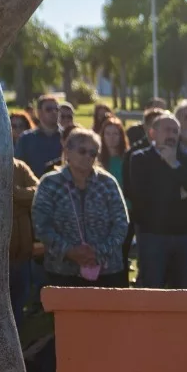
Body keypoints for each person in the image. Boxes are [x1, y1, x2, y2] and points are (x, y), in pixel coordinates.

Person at [32, 128, 131, 288]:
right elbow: (41, 226)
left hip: (106, 270)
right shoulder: (50, 183)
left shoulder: (107, 183)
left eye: (93, 153)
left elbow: (121, 223)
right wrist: (69, 251)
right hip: (63, 270)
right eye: (82, 151)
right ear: (67, 151)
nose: (88, 157)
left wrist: (98, 252)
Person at [127, 115, 187, 288]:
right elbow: (142, 196)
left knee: (182, 289)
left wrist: (174, 165)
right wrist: (179, 191)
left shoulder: (186, 160)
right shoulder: (140, 159)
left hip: (183, 236)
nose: (171, 134)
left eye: (175, 131)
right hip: (152, 235)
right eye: (166, 130)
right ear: (152, 133)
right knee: (152, 289)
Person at [8, 157, 40, 321]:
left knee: (20, 297)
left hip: (22, 247)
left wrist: (15, 193)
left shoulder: (19, 167)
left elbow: (38, 190)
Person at [16, 94, 64, 176]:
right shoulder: (26, 139)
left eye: (57, 109)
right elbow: (18, 168)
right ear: (39, 113)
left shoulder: (68, 137)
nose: (54, 112)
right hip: (34, 185)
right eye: (49, 109)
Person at [97, 116, 130, 187]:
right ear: (103, 136)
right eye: (108, 134)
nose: (111, 137)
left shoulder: (128, 159)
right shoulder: (97, 159)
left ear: (121, 136)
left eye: (115, 134)